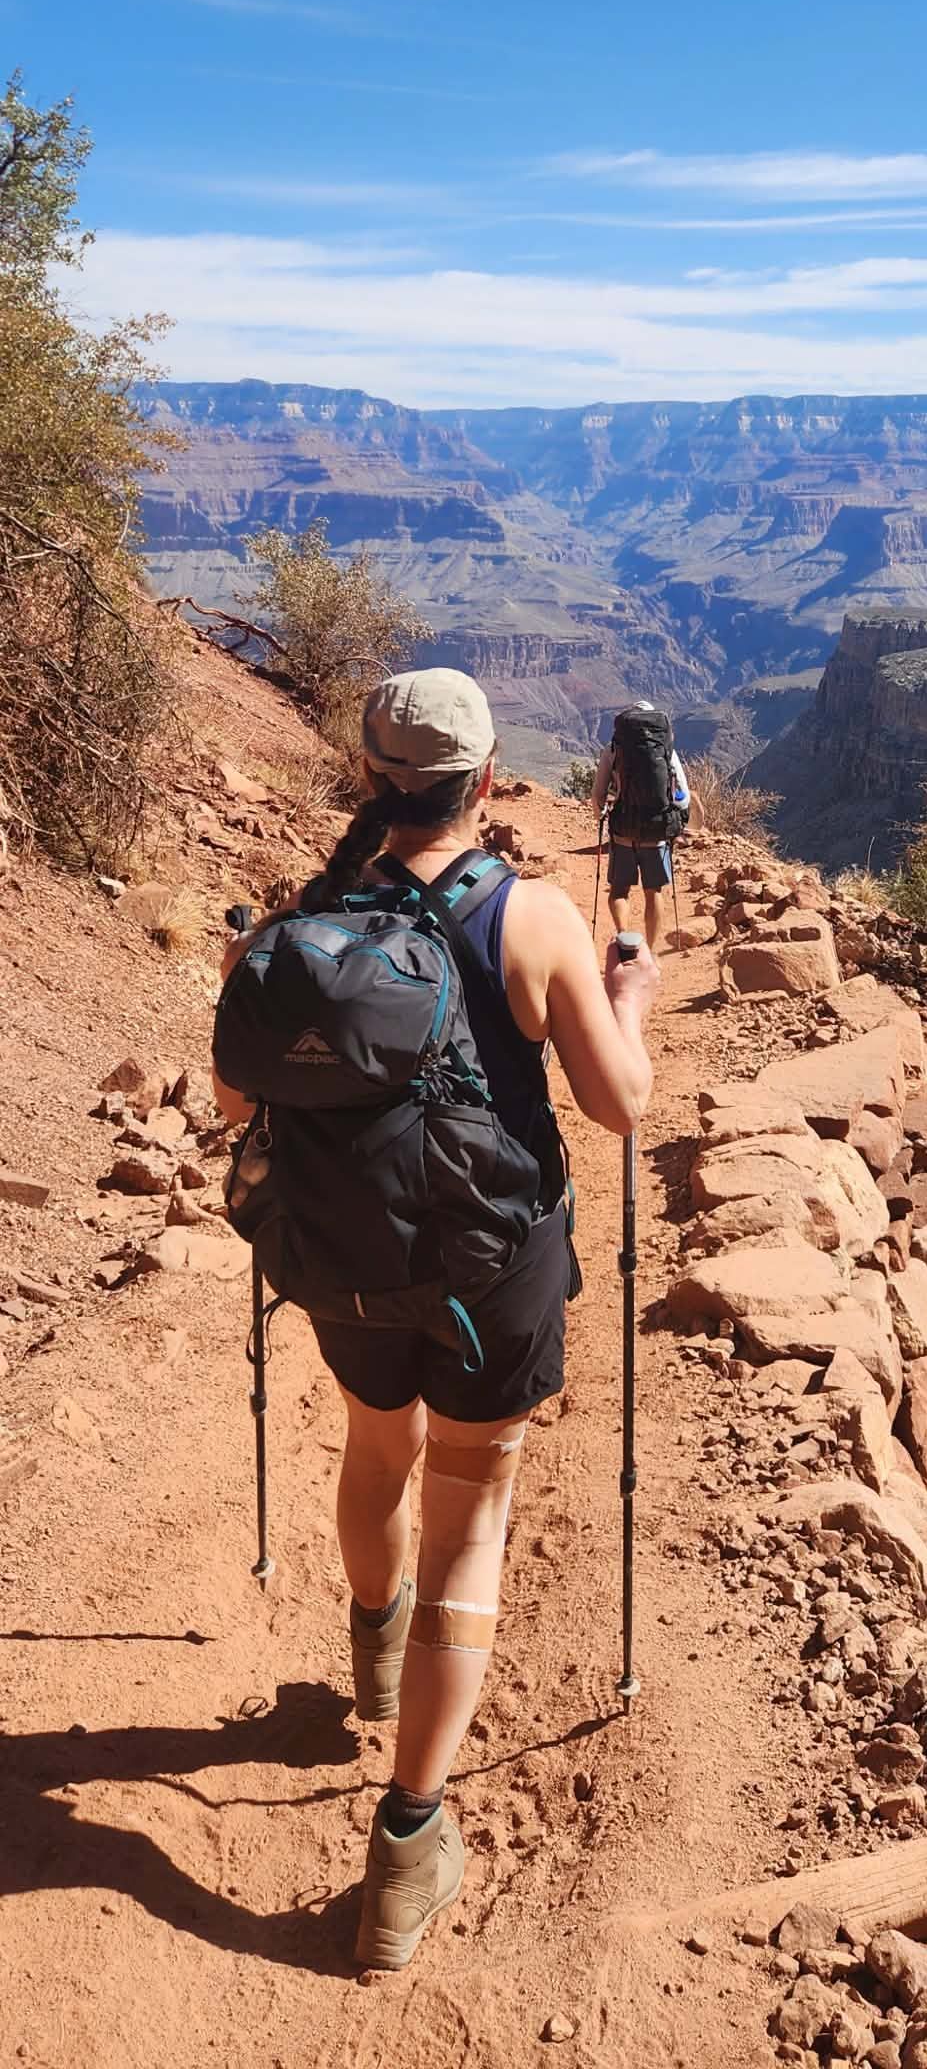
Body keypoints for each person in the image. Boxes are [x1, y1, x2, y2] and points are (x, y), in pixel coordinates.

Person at [212, 667, 658, 1972]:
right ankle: (406, 1844)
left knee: (374, 1451)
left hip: (344, 1263)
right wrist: (624, 993)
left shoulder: (304, 919)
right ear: (485, 776)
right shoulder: (535, 921)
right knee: (472, 1516)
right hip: (491, 1276)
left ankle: (369, 1657)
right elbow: (619, 1104)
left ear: (369, 775)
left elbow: (241, 1109)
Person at [590, 701, 694, 952]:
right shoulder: (666, 748)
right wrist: (675, 812)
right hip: (657, 832)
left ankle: (625, 940)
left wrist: (600, 815)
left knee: (619, 891)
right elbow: (684, 794)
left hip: (623, 831)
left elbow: (598, 794)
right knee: (654, 891)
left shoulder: (613, 748)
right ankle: (651, 949)